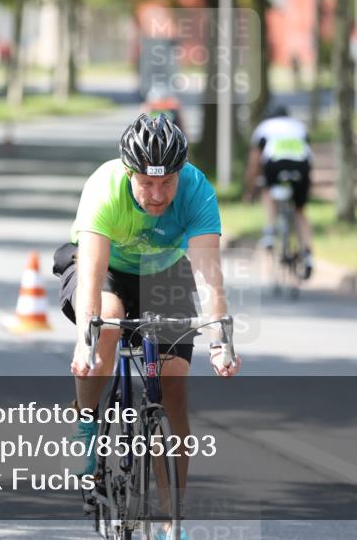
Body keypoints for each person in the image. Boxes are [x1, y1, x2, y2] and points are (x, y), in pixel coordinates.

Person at [53, 112, 242, 540]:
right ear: (128, 172)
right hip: (107, 273)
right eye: (146, 183)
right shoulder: (104, 187)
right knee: (109, 321)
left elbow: (208, 275)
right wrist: (86, 339)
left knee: (173, 389)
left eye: (167, 183)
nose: (157, 195)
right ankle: (86, 423)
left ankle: (171, 522)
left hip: (165, 274)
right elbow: (92, 274)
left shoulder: (197, 191)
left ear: (180, 175)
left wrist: (219, 340)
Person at [243, 103, 314, 279]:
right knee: (300, 210)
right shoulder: (299, 127)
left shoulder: (264, 128)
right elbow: (309, 154)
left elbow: (254, 164)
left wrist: (250, 189)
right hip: (301, 165)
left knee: (267, 189)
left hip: (276, 165)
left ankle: (269, 231)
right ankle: (308, 254)